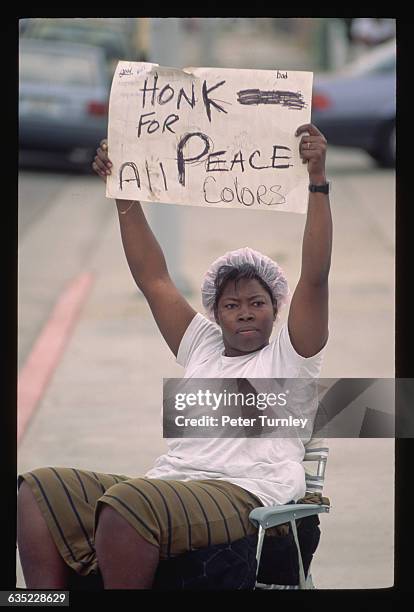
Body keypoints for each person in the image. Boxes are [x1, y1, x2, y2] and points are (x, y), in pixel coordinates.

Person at [17, 123, 332, 590]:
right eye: (232, 305)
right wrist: (122, 191)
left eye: (257, 303)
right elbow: (154, 280)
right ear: (217, 313)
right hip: (177, 484)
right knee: (37, 491)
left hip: (245, 492)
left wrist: (318, 179)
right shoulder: (202, 343)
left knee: (129, 504)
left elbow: (315, 277)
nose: (245, 314)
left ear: (275, 309)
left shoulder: (292, 354)